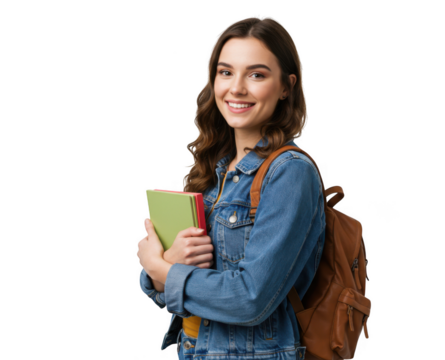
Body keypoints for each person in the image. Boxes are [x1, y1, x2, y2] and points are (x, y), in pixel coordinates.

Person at [137, 15, 326, 360]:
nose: (236, 87)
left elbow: (251, 299)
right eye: (226, 72)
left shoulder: (290, 173)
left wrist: (161, 268)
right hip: (194, 348)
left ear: (286, 86)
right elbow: (165, 292)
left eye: (256, 74)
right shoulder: (215, 169)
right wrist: (165, 266)